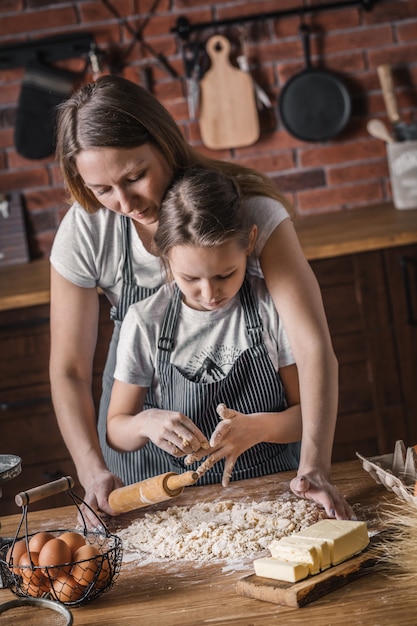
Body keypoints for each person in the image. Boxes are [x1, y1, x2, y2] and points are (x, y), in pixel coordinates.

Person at [50, 74, 353, 525]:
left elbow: (312, 348)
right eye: (101, 189)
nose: (124, 201)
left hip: (259, 472)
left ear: (166, 144)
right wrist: (92, 472)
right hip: (145, 480)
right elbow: (70, 370)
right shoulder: (90, 230)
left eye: (135, 176)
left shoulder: (247, 212)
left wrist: (314, 466)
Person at [107, 167, 302, 486]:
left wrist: (260, 427)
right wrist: (146, 422)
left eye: (225, 275)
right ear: (166, 256)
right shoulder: (145, 322)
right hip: (184, 505)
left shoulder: (271, 307)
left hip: (274, 485)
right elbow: (117, 430)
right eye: (190, 279)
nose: (210, 294)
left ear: (250, 241)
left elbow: (308, 416)